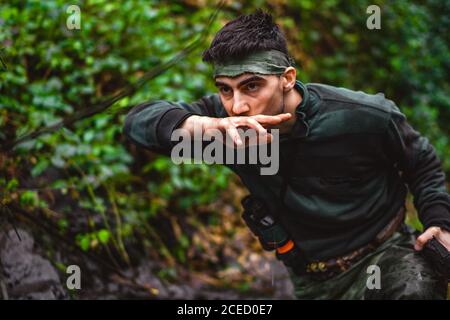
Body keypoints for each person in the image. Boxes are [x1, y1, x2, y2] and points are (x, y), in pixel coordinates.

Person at [123, 9, 450, 299]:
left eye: (252, 85)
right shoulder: (226, 130)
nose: (238, 105)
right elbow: (137, 122)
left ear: (287, 79)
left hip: (385, 257)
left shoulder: (362, 116)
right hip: (308, 278)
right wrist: (198, 126)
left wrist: (439, 222)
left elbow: (420, 161)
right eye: (225, 88)